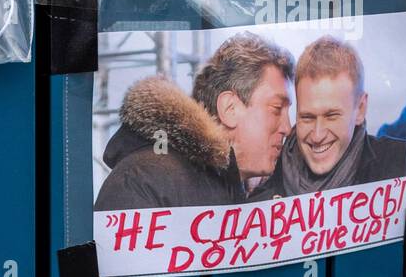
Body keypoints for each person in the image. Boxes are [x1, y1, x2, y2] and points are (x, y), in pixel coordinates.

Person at [95, 32, 294, 210]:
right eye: (276, 109)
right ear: (229, 108)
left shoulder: (260, 192)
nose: (286, 127)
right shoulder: (141, 182)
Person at [256, 36, 406, 198]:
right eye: (307, 117)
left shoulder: (404, 165)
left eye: (331, 116)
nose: (317, 135)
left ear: (360, 109)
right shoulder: (262, 191)